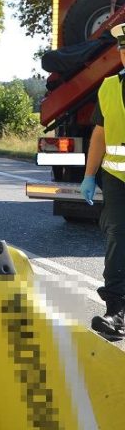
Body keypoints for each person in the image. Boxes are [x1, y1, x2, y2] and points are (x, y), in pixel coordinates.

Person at [82, 22, 125, 341]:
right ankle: (116, 312)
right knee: (117, 239)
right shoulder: (109, 87)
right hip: (116, 178)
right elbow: (99, 134)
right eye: (123, 48)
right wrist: (88, 175)